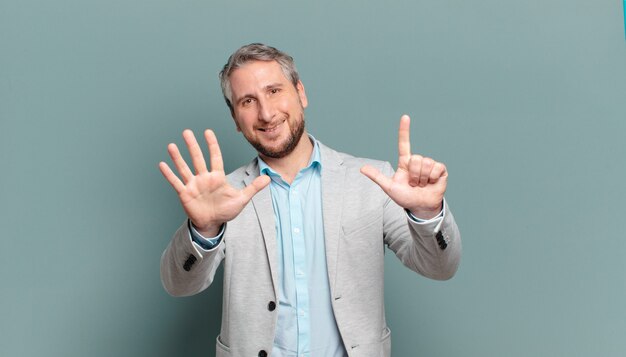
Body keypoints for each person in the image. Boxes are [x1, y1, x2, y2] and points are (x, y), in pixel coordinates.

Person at [159, 43, 461, 357]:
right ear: (236, 118)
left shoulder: (371, 181)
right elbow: (179, 284)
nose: (266, 112)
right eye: (248, 101)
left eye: (274, 91)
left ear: (301, 93)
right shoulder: (225, 195)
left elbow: (441, 267)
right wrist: (204, 229)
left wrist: (427, 214)